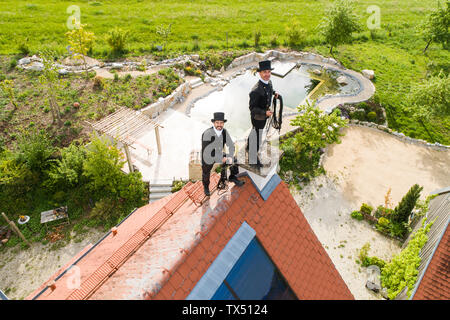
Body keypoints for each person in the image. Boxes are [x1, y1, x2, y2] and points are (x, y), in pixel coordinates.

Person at [201, 112, 244, 196]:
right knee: (206, 172)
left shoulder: (224, 132)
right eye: (217, 123)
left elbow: (231, 145)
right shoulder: (207, 134)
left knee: (235, 160)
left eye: (221, 123)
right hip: (208, 156)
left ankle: (232, 177)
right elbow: (207, 152)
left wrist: (230, 156)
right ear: (213, 123)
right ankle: (206, 186)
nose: (219, 125)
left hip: (219, 154)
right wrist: (220, 158)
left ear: (223, 123)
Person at [247, 60, 280, 166]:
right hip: (257, 118)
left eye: (268, 72)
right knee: (257, 135)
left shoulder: (269, 82)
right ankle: (253, 158)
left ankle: (248, 147)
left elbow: (269, 90)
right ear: (260, 73)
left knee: (254, 132)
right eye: (264, 72)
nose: (267, 74)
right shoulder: (255, 91)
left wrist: (274, 93)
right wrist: (265, 112)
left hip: (264, 116)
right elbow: (252, 108)